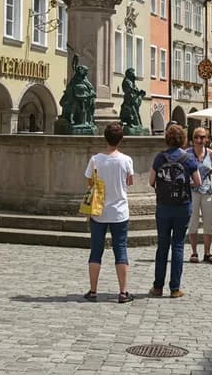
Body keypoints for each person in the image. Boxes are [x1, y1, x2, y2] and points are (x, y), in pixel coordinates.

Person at [83, 122, 136, 303]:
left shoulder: (96, 159)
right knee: (120, 250)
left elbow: (89, 183)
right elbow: (130, 182)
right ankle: (122, 292)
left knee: (95, 251)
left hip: (99, 211)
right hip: (120, 212)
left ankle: (92, 291)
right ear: (121, 139)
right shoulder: (126, 160)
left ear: (105, 138)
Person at [149, 124, 201, 297]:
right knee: (178, 246)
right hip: (182, 206)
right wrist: (186, 184)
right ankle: (175, 288)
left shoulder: (159, 158)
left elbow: (151, 181)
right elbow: (198, 181)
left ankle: (157, 287)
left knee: (162, 245)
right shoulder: (188, 158)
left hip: (163, 207)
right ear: (183, 139)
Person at [187, 127, 212, 264]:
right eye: (196, 137)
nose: (199, 140)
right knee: (193, 222)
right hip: (192, 192)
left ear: (207, 139)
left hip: (207, 191)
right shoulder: (187, 154)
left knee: (209, 222)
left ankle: (207, 253)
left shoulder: (209, 153)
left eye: (202, 137)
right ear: (192, 139)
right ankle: (194, 252)